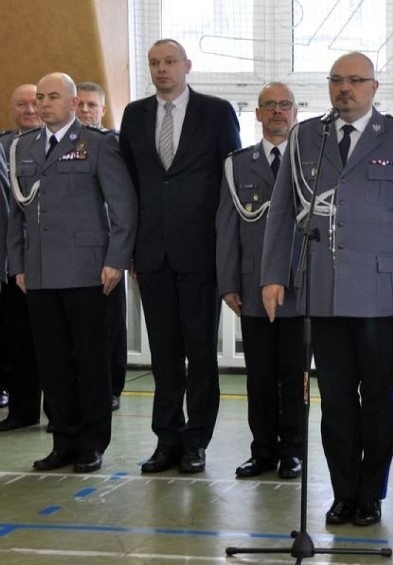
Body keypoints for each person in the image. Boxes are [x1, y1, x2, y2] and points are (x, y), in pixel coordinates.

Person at [261, 51, 393, 526]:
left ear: (374, 87)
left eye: (356, 80)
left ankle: (371, 492)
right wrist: (274, 275)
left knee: (379, 398)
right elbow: (282, 213)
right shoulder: (306, 137)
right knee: (336, 400)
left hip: (382, 294)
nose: (345, 88)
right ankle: (343, 492)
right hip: (322, 289)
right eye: (336, 80)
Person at [119, 39, 241, 474]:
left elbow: (233, 179)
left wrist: (230, 251)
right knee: (164, 353)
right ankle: (166, 439)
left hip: (201, 252)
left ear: (187, 66)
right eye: (154, 63)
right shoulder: (135, 114)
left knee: (200, 350)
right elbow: (129, 185)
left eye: (170, 62)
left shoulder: (216, 111)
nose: (162, 70)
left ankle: (196, 441)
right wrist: (130, 248)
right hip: (151, 252)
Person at [6, 72, 137, 472]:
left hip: (88, 271)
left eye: (52, 97)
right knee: (53, 361)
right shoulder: (22, 148)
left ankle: (91, 443)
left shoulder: (97, 145)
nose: (43, 104)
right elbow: (17, 213)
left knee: (90, 361)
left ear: (73, 101)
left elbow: (123, 208)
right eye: (39, 97)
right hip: (41, 271)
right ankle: (62, 440)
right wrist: (17, 265)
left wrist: (116, 260)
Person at [215, 82, 304, 480]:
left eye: (285, 105)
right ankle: (263, 451)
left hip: (298, 287)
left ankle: (294, 452)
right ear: (257, 113)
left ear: (296, 111)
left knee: (295, 375)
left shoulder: (310, 161)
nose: (278, 112)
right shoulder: (237, 164)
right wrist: (228, 282)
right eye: (269, 105)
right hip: (252, 288)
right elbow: (227, 226)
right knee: (260, 375)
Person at [76, 81, 127, 413]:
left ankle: (111, 387)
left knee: (109, 326)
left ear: (103, 110)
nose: (84, 111)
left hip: (108, 250)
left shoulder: (113, 145)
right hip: (73, 255)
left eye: (91, 105)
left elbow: (125, 203)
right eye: (79, 105)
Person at [0, 84, 43, 432]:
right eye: (22, 104)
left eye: (36, 102)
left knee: (61, 345)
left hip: (51, 262)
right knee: (18, 343)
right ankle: (22, 410)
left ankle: (62, 415)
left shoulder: (61, 146)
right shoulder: (4, 146)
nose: (30, 109)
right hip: (13, 265)